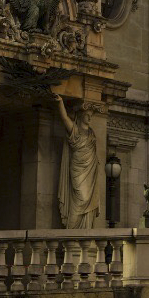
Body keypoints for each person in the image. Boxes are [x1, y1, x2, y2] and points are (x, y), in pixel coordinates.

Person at [53, 96, 99, 229]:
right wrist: (60, 102)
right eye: (87, 115)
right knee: (82, 199)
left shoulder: (92, 133)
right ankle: (71, 231)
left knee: (89, 200)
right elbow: (64, 118)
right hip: (79, 169)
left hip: (90, 169)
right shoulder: (75, 131)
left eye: (91, 115)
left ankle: (85, 230)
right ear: (81, 116)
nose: (90, 118)